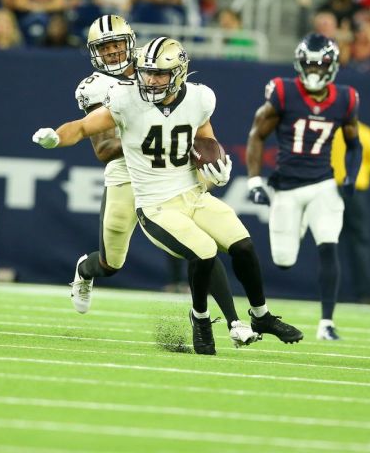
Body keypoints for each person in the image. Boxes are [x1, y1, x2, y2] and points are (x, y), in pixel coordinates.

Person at [33, 38, 303, 355]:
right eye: (147, 73)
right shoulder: (125, 99)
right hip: (154, 200)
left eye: (160, 74)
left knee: (242, 245)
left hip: (191, 193)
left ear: (179, 72)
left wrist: (215, 165)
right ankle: (200, 319)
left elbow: (205, 139)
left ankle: (261, 316)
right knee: (146, 259)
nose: (151, 80)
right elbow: (82, 128)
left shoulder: (200, 98)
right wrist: (56, 136)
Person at [65, 18, 255, 347]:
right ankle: (86, 270)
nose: (112, 53)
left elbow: (190, 115)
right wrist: (147, 135)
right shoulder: (95, 87)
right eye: (104, 48)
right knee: (111, 264)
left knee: (204, 244)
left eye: (117, 44)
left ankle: (234, 321)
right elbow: (104, 149)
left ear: (131, 42)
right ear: (94, 53)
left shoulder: (154, 61)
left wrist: (210, 154)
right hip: (126, 174)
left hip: (171, 169)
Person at [246, 35, 363, 340]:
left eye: (320, 63)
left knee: (328, 242)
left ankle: (326, 323)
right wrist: (255, 180)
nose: (314, 69)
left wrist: (350, 175)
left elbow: (355, 144)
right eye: (309, 63)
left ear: (332, 66)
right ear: (299, 64)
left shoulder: (346, 98)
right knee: (284, 261)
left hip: (323, 183)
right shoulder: (283, 92)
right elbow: (257, 135)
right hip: (287, 187)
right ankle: (296, 226)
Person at [331, 119, 370, 303]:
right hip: (355, 190)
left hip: (332, 189)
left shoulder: (331, 132)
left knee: (330, 241)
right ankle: (364, 294)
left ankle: (332, 292)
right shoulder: (365, 132)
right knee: (359, 241)